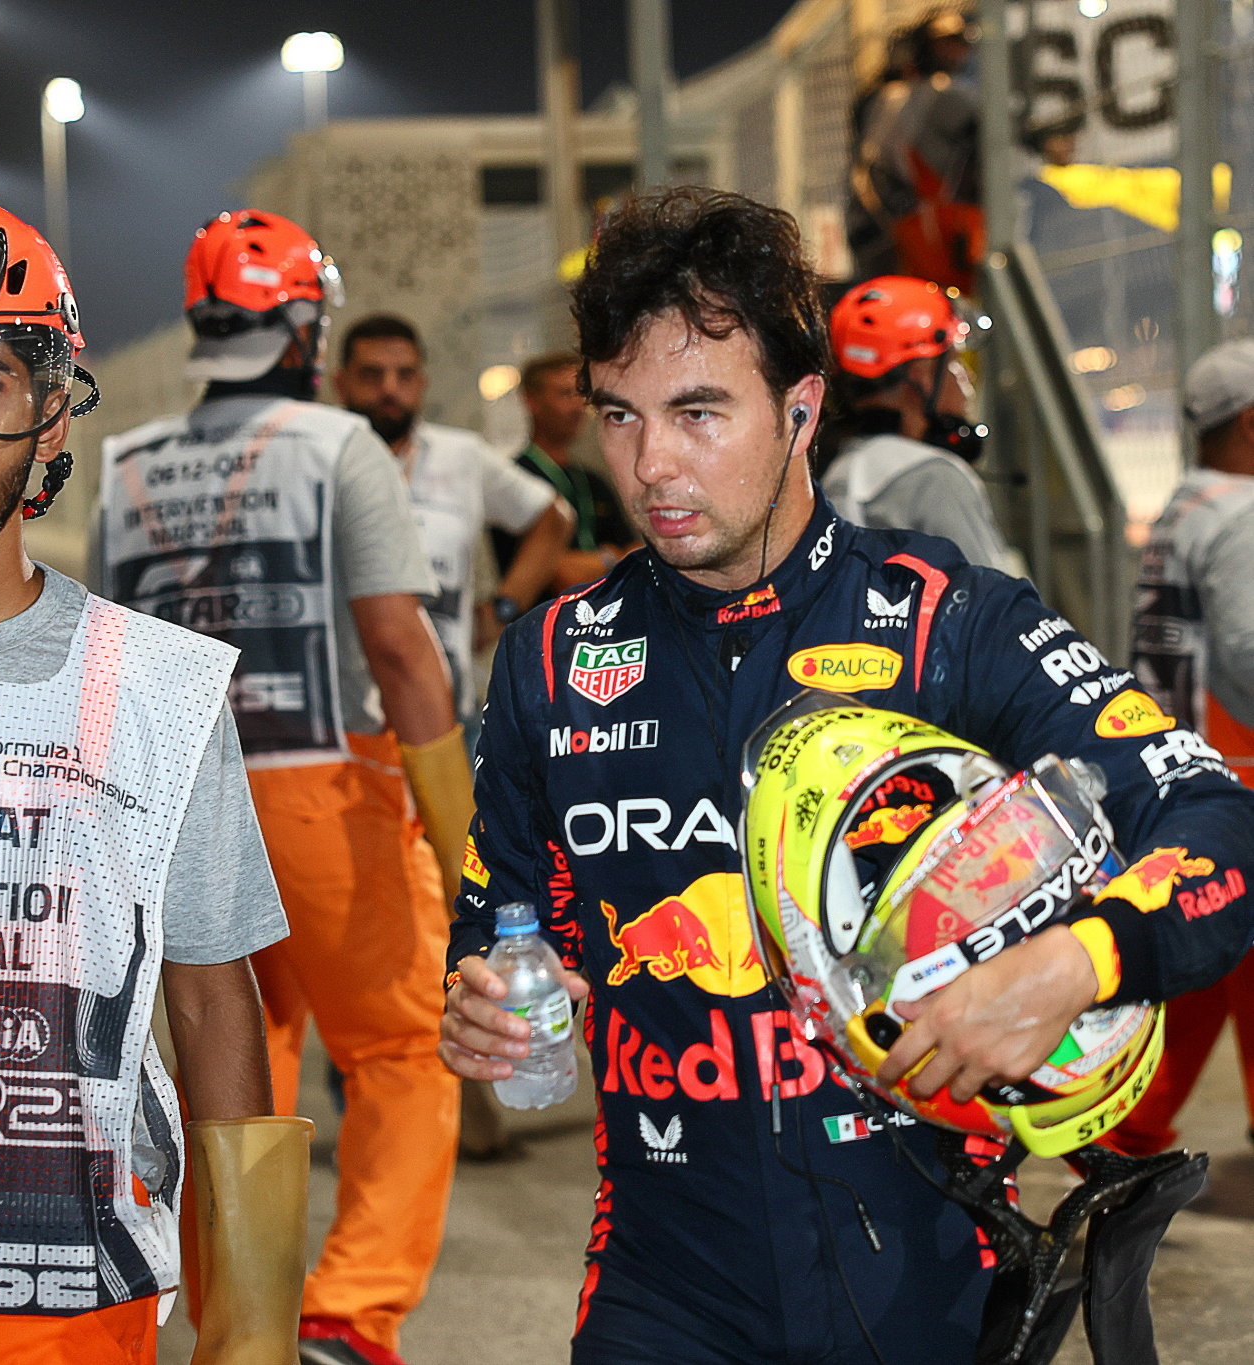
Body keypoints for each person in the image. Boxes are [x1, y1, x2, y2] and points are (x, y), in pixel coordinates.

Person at [438, 186, 1254, 1363]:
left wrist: (1076, 963)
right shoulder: (550, 661)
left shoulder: (950, 622)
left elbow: (1218, 821)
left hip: (926, 1275)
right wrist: (487, 997)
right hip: (664, 1284)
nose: (651, 464)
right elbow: (501, 921)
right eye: (619, 415)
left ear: (802, 408)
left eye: (699, 412)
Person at [0, 195, 309, 1364]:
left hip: (73, 1299)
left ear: (49, 415)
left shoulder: (161, 689)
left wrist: (252, 1329)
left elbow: (213, 1001)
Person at [95, 212, 465, 1365]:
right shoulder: (340, 444)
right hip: (327, 795)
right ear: (304, 324)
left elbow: (115, 655)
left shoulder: (124, 463)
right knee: (403, 1048)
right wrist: (468, 844)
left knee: (234, 1062)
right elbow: (399, 648)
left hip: (182, 802)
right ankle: (347, 1316)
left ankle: (237, 1326)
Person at [1108, 337, 1254, 1157]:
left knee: (1207, 956)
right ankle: (1124, 1132)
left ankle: (1125, 1131)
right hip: (1238, 778)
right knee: (1214, 960)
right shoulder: (1242, 515)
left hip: (1181, 778)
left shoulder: (1181, 508)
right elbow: (1249, 652)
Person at [334, 315, 572, 739]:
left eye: (405, 375)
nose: (389, 389)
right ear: (341, 383)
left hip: (450, 715)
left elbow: (554, 517)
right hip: (352, 724)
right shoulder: (323, 457)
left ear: (422, 383)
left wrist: (503, 608)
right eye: (371, 375)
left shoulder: (462, 455)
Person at [822, 275, 1017, 573]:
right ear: (921, 375)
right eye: (953, 363)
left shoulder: (838, 479)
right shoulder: (934, 478)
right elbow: (994, 599)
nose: (965, 377)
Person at [846, 10, 982, 293]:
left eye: (960, 44)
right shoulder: (934, 94)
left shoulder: (887, 96)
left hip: (913, 231)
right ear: (922, 48)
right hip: (923, 231)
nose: (957, 53)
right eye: (946, 44)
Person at [491, 351, 637, 599]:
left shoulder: (593, 480)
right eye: (565, 394)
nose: (577, 407)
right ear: (531, 401)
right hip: (543, 617)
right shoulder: (511, 479)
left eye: (581, 395)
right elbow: (560, 574)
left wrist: (596, 563)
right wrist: (611, 557)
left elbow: (637, 556)